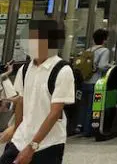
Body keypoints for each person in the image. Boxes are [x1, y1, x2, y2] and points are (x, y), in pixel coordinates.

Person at [0, 20, 74, 164]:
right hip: (21, 139)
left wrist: (32, 146)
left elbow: (55, 113)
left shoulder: (62, 70)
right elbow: (21, 103)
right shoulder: (25, 69)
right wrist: (15, 129)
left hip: (47, 144)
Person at [78, 29, 110, 136]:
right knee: (92, 107)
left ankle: (80, 126)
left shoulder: (88, 50)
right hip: (96, 82)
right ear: (104, 39)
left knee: (84, 105)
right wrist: (110, 66)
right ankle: (88, 130)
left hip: (85, 81)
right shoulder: (104, 51)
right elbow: (102, 66)